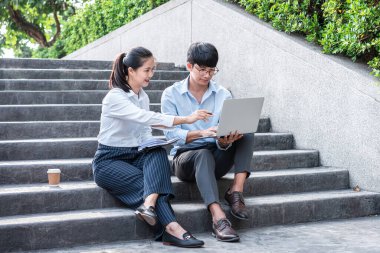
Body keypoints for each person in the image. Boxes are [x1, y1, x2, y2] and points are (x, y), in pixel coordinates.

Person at [92, 47, 212, 248]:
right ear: (131, 71)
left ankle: (148, 205)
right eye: (147, 70)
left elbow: (145, 132)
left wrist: (155, 142)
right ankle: (172, 228)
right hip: (109, 161)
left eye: (153, 70)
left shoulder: (143, 97)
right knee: (150, 184)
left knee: (156, 150)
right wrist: (185, 119)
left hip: (135, 154)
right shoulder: (115, 97)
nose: (151, 75)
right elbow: (145, 117)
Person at [161, 42, 255, 242]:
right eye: (202, 69)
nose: (207, 75)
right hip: (185, 158)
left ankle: (236, 192)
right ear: (189, 66)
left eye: (212, 70)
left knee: (246, 131)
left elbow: (223, 134)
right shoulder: (171, 94)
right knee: (202, 154)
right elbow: (170, 136)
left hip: (216, 153)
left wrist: (224, 141)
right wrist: (202, 133)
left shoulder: (223, 94)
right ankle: (218, 217)